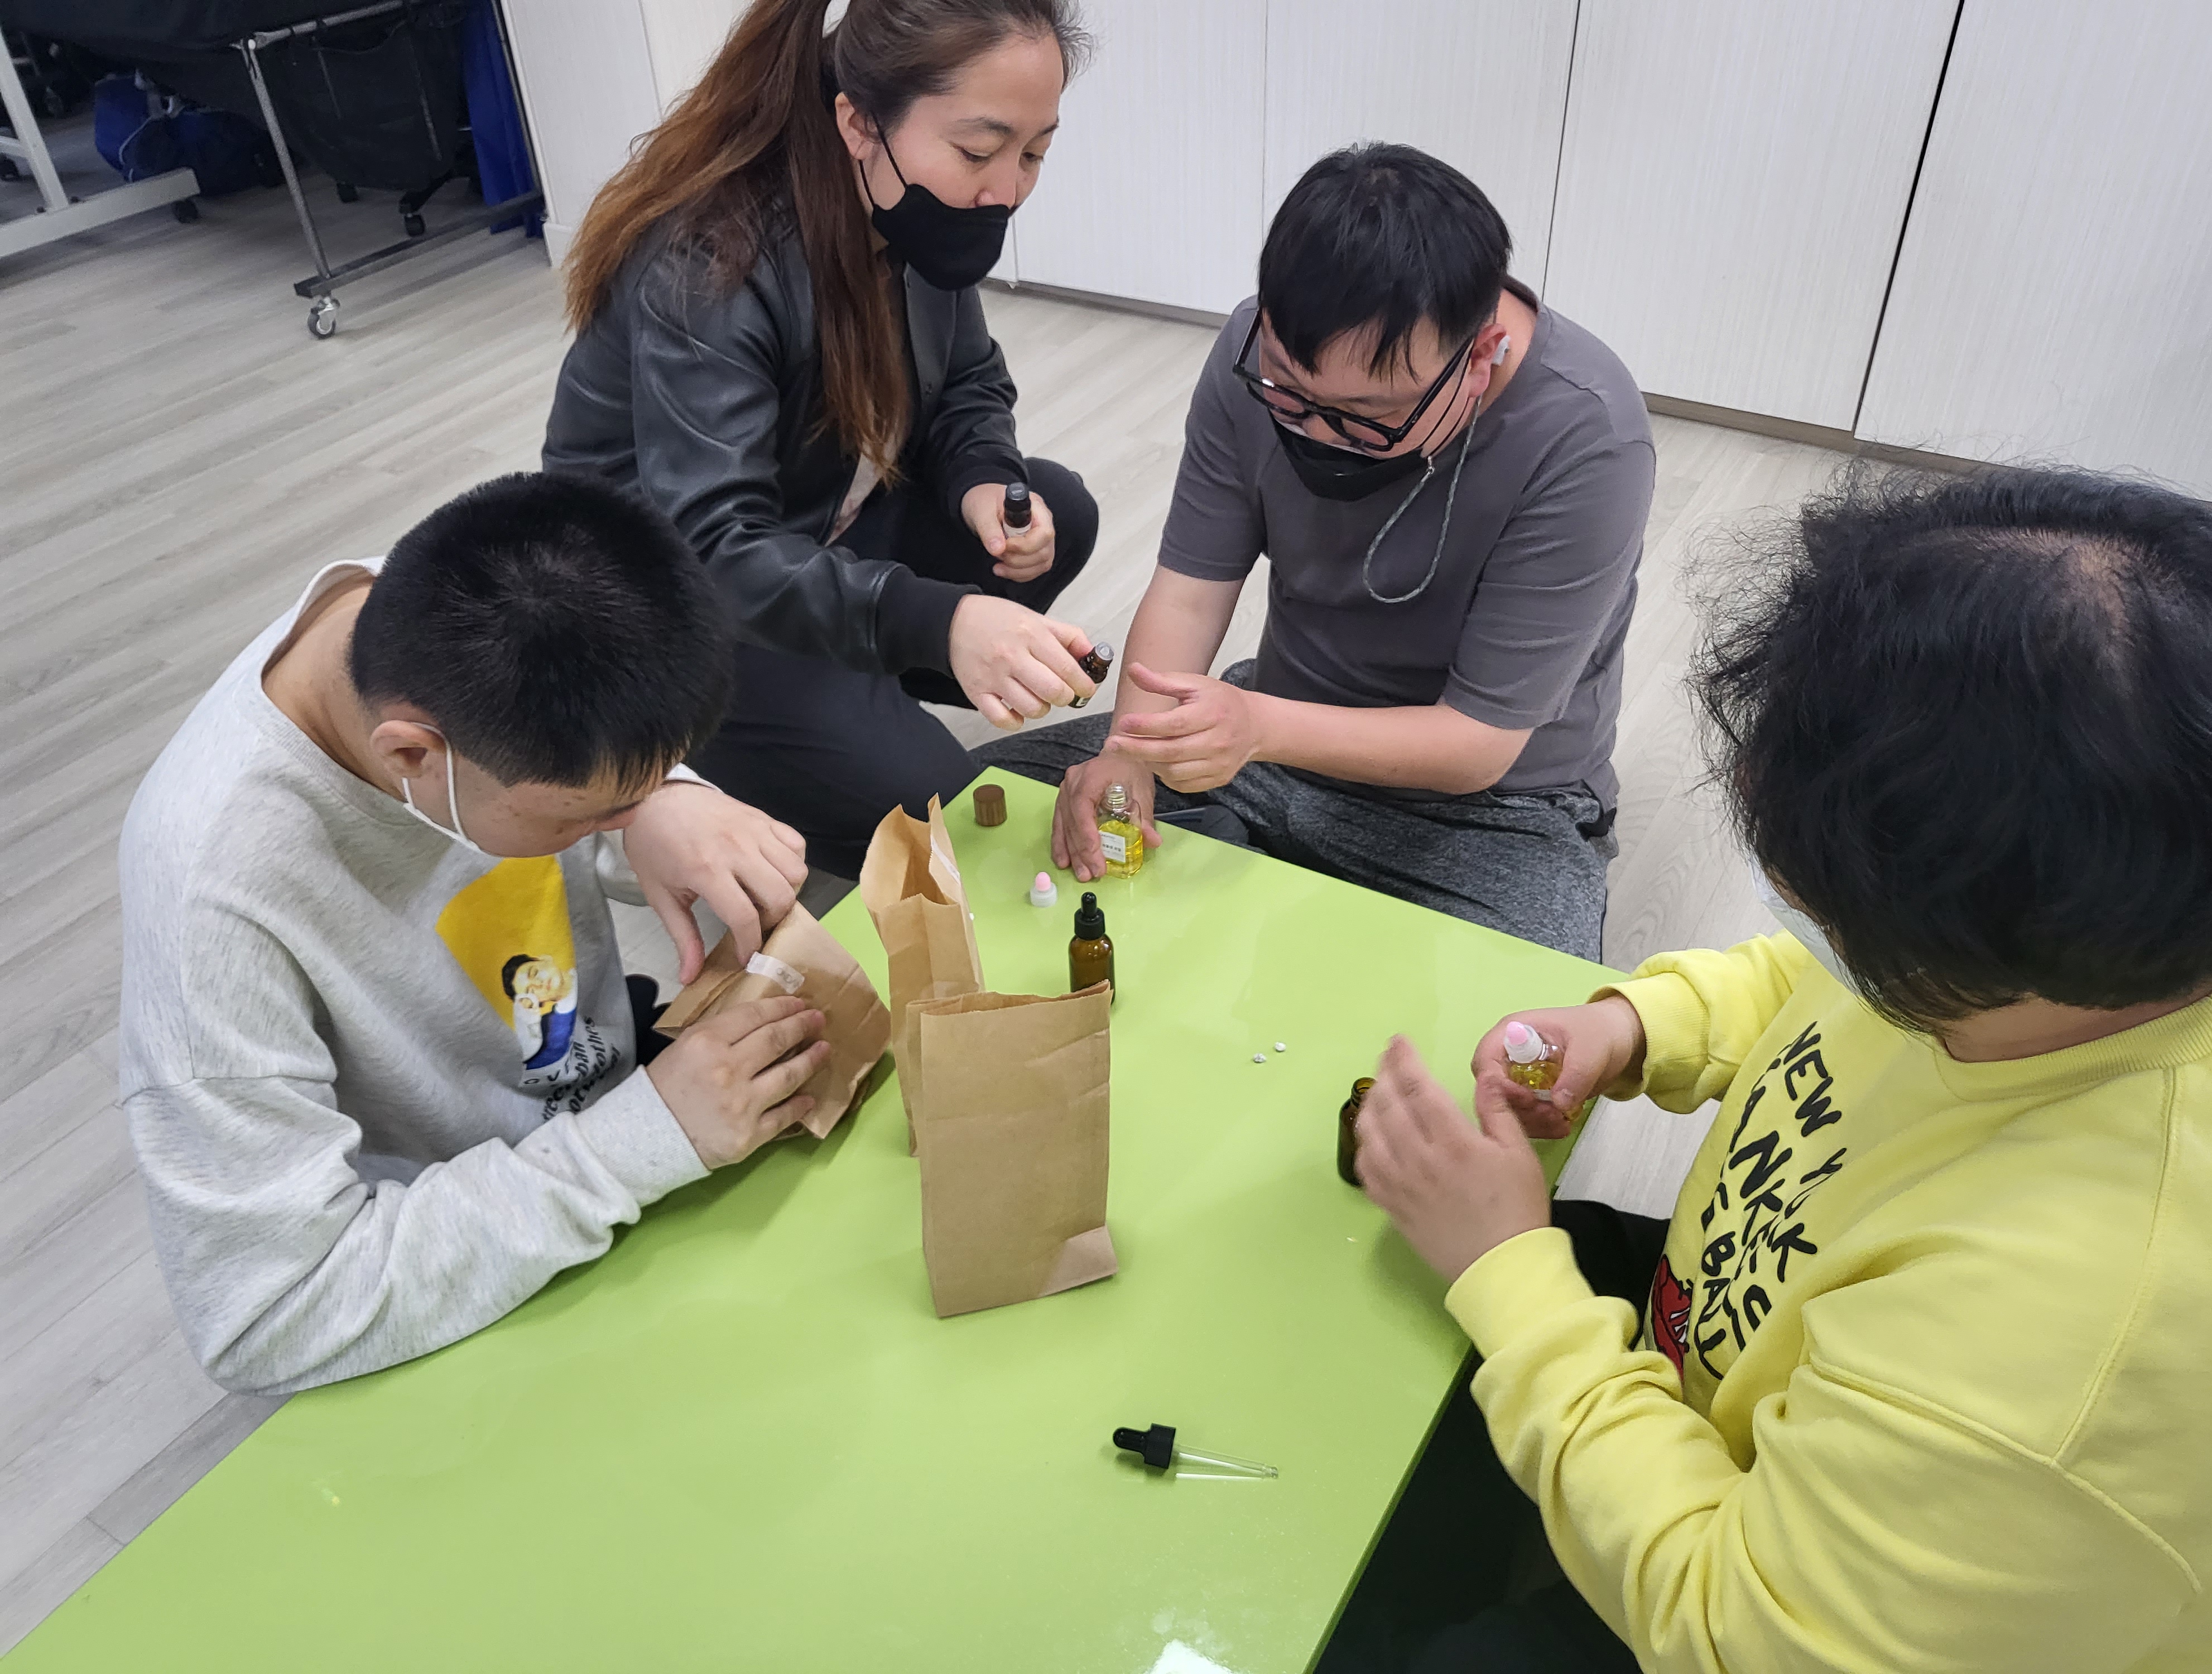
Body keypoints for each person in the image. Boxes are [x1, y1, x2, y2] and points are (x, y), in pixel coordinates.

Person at [1332, 466, 2212, 1672]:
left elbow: (1730, 1627)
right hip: (1729, 1348)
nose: (1784, 881)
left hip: (1758, 1590)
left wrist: (1510, 1276)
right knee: (1396, 1306)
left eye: (1815, 881)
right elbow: (1806, 980)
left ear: (1960, 929)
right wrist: (1638, 1027)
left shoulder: (2065, 1353)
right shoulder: (2069, 951)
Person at [119, 474, 837, 1396]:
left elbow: (575, 761)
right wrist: (631, 1147)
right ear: (410, 756)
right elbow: (271, 1314)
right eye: (586, 815)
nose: (614, 824)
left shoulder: (475, 618)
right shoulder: (215, 894)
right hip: (447, 1260)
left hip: (599, 1122)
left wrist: (672, 800)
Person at [983, 143, 1652, 960]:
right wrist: (1130, 749)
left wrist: (1256, 728)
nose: (1316, 434)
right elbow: (1190, 591)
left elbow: (1478, 742)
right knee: (971, 820)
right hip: (1266, 741)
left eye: (1367, 417)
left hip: (1491, 810)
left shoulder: (1587, 435)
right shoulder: (1251, 350)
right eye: (1289, 395)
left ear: (1480, 358)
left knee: (1517, 1024)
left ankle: (1258, 868)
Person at [544, 0, 1101, 878]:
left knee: (1055, 505)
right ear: (859, 124)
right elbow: (714, 548)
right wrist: (939, 619)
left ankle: (849, 702)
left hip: (805, 534)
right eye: (979, 151)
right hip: (673, 608)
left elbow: (967, 383)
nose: (1008, 190)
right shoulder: (714, 263)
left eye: (1034, 153)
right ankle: (708, 757)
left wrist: (986, 481)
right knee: (933, 818)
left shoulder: (910, 212)